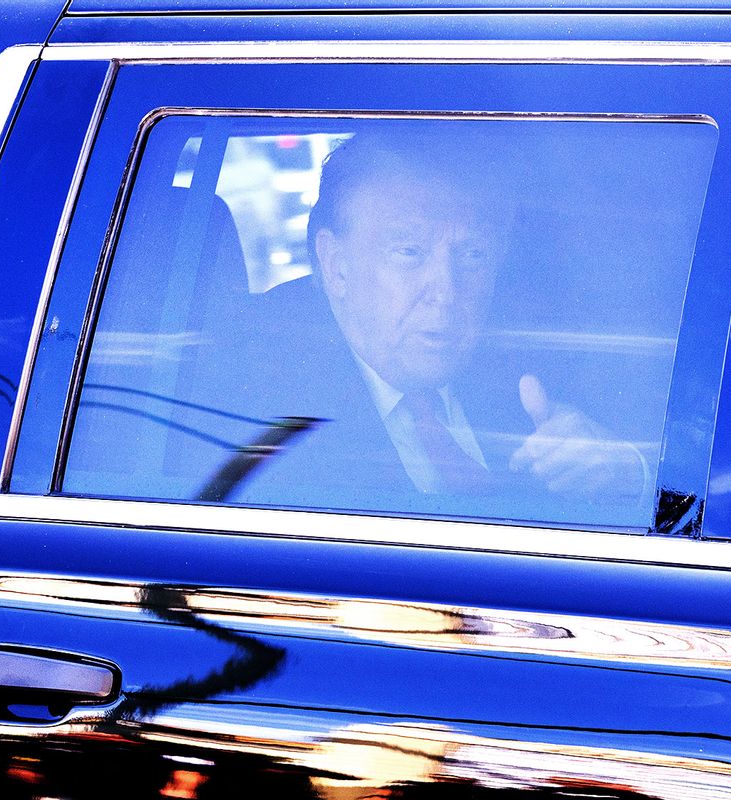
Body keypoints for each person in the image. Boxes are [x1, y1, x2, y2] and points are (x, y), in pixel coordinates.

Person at [230, 129, 648, 520]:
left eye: (472, 255)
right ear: (337, 266)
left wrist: (624, 473)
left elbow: (685, 496)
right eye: (410, 252)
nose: (446, 292)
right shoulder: (250, 397)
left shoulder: (539, 353)